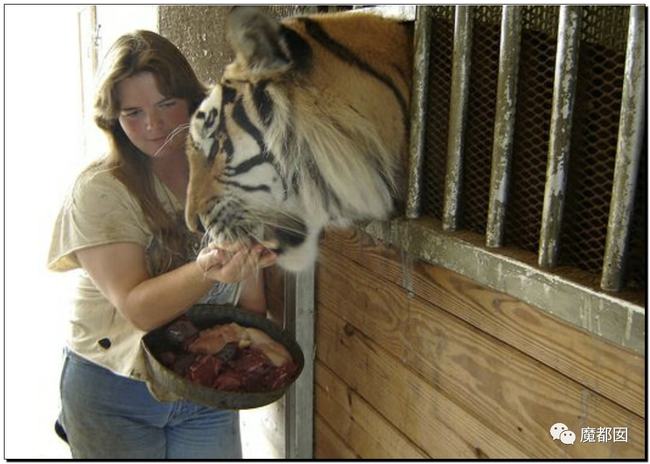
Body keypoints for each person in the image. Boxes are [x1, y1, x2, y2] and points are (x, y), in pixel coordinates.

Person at [47, 30, 277, 459]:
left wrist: (247, 342)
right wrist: (209, 267)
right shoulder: (101, 189)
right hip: (114, 387)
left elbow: (250, 302)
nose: (152, 125)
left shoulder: (226, 173)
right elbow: (140, 309)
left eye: (166, 104)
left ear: (192, 101)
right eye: (132, 112)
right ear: (112, 118)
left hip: (203, 378)